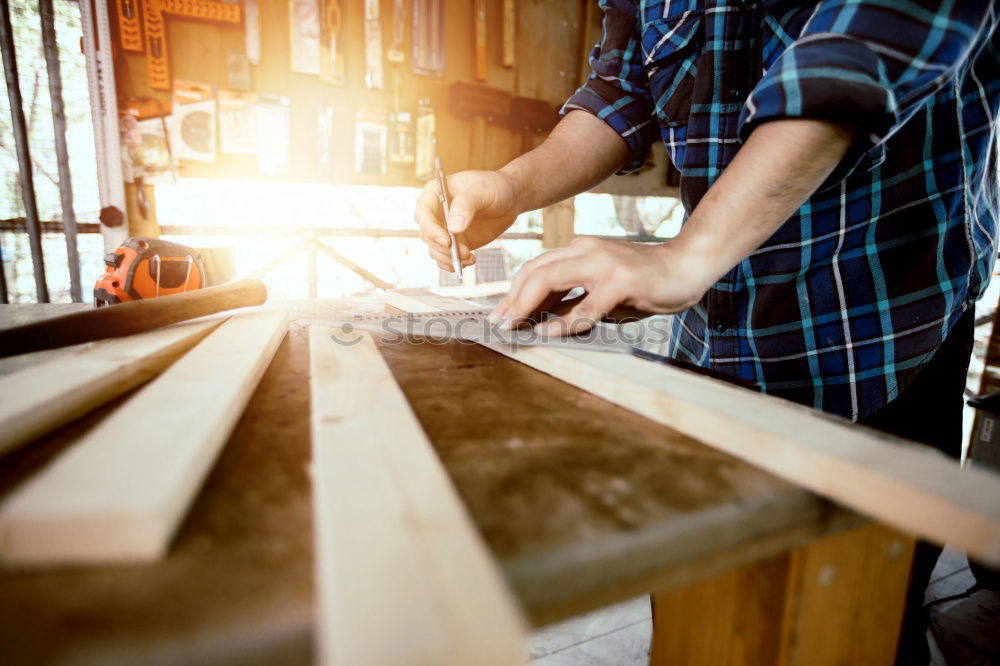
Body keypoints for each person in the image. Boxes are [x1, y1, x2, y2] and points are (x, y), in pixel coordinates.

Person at [415, 1, 999, 662]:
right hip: (714, 348)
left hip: (878, 340)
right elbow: (623, 88)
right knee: (701, 626)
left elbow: (856, 55)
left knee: (851, 634)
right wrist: (509, 185)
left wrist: (683, 257)